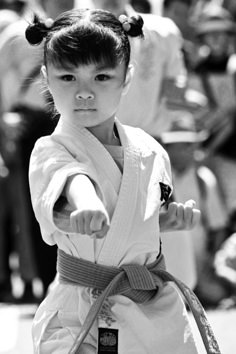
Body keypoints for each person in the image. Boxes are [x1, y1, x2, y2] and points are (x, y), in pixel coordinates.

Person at [23, 8, 223, 354]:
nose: (84, 93)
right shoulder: (51, 148)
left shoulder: (150, 149)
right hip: (83, 308)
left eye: (101, 77)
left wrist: (165, 219)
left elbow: (131, 220)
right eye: (68, 78)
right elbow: (72, 179)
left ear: (126, 77)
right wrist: (86, 204)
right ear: (46, 78)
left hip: (153, 306)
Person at [0, 0, 75, 302]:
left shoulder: (81, 27)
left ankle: (70, 284)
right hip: (29, 123)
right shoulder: (20, 34)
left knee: (71, 203)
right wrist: (5, 118)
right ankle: (44, 283)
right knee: (34, 206)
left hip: (69, 120)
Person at [90, 0, 189, 137]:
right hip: (94, 144)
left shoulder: (163, 30)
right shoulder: (74, 35)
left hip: (151, 142)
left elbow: (176, 89)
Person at [160, 115, 229, 306]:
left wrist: (212, 261)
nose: (192, 150)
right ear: (168, 148)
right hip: (166, 264)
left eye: (193, 144)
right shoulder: (156, 178)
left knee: (217, 293)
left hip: (199, 264)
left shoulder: (204, 179)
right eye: (185, 145)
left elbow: (218, 226)